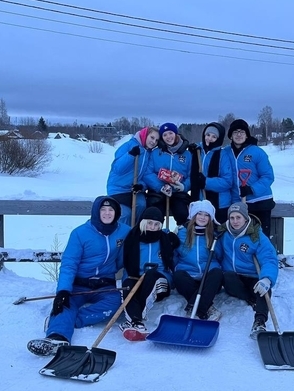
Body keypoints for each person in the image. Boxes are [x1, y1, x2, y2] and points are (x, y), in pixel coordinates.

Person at [27, 196, 131, 356]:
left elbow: (132, 253)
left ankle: (64, 321)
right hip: (79, 284)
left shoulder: (124, 231)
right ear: (96, 212)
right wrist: (63, 290)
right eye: (103, 209)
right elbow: (69, 264)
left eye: (111, 210)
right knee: (65, 304)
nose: (107, 213)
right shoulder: (80, 234)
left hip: (105, 285)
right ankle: (57, 337)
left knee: (115, 304)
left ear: (117, 213)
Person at [217, 201, 278, 338]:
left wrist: (267, 279)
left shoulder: (256, 236)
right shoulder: (223, 234)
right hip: (233, 278)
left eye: (238, 217)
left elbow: (269, 259)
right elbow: (217, 255)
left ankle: (260, 321)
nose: (235, 221)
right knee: (227, 277)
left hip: (252, 277)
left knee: (264, 289)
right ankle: (250, 298)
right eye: (232, 218)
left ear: (245, 217)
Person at [119, 206, 180, 340]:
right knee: (127, 284)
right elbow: (127, 264)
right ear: (143, 222)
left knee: (152, 274)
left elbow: (174, 259)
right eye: (149, 223)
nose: (152, 227)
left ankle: (137, 317)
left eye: (156, 224)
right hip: (138, 279)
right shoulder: (133, 238)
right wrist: (128, 280)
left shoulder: (165, 239)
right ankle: (135, 321)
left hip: (161, 280)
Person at [173, 200, 223, 321]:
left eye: (206, 215)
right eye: (199, 214)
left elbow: (220, 256)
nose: (202, 217)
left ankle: (195, 307)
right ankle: (207, 307)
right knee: (178, 276)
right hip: (188, 276)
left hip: (208, 278)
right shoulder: (181, 233)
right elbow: (174, 255)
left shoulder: (214, 235)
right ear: (194, 215)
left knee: (217, 273)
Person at [226, 118, 275, 238]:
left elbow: (268, 176)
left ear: (247, 135)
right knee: (242, 240)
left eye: (242, 132)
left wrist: (251, 189)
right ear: (231, 136)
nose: (239, 135)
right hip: (238, 203)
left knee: (260, 238)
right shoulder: (225, 152)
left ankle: (263, 257)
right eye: (235, 132)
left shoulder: (257, 152)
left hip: (260, 201)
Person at [106, 127, 160, 226]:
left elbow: (144, 175)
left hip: (133, 189)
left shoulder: (148, 153)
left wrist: (141, 186)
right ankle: (123, 236)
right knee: (126, 214)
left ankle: (135, 231)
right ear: (145, 135)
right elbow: (118, 168)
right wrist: (130, 155)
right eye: (152, 137)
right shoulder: (129, 145)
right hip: (118, 189)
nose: (153, 142)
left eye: (156, 140)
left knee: (142, 205)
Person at [144, 122, 193, 228]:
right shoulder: (156, 152)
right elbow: (147, 173)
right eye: (165, 135)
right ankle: (156, 238)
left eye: (170, 133)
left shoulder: (187, 154)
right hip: (158, 191)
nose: (168, 137)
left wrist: (183, 186)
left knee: (182, 214)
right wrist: (160, 186)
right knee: (154, 214)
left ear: (176, 134)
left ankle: (182, 237)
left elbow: (191, 176)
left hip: (178, 192)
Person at [189, 122, 233, 224]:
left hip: (219, 203)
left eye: (214, 137)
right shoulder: (197, 151)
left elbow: (227, 181)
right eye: (208, 135)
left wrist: (206, 182)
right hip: (199, 202)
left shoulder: (223, 155)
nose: (209, 138)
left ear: (219, 139)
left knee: (217, 234)